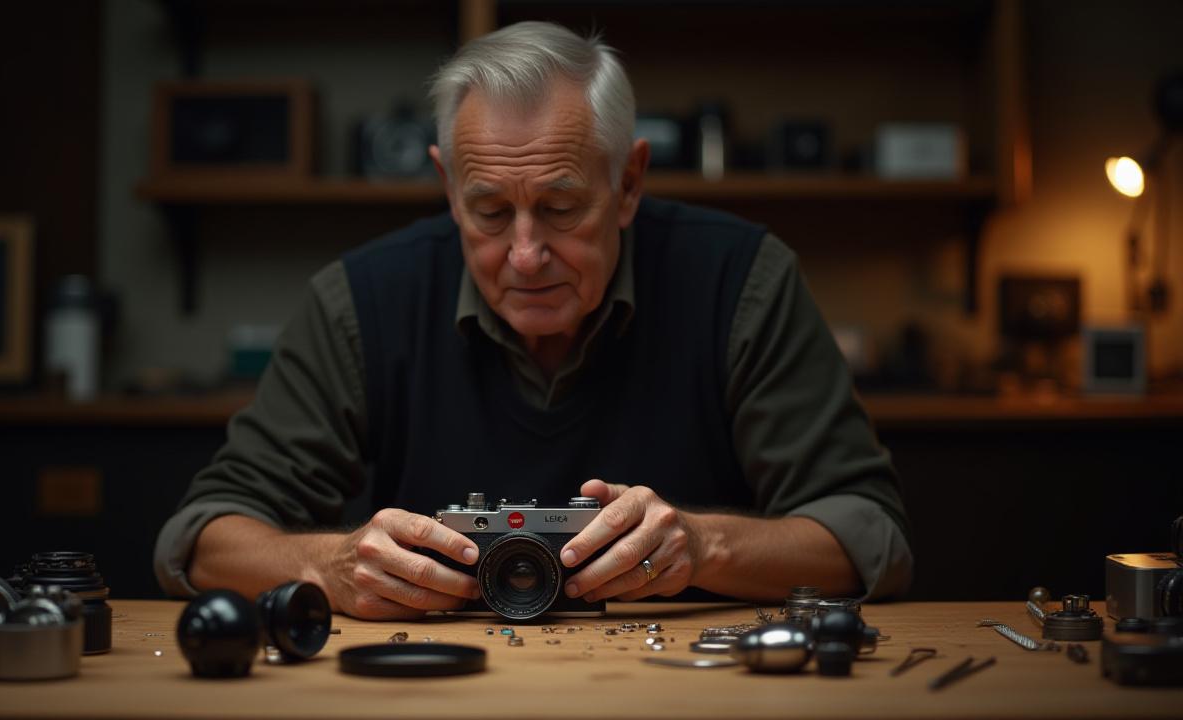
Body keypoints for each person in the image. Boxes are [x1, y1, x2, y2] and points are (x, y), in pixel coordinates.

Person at [154, 21, 913, 620]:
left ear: (628, 182)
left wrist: (704, 545)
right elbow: (204, 537)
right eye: (488, 211)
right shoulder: (361, 300)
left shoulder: (741, 280)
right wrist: (329, 565)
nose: (524, 255)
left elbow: (870, 535)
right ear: (448, 186)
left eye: (560, 207)